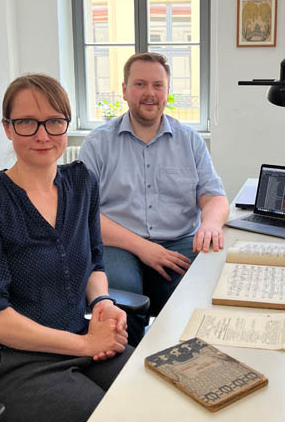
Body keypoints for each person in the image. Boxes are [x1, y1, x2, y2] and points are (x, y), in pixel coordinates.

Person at [0, 74, 132, 422]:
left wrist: (102, 302)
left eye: (54, 121)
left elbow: (95, 262)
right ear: (8, 128)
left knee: (153, 396)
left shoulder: (81, 183)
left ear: (67, 123)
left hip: (75, 339)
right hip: (9, 365)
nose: (42, 134)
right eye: (27, 122)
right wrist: (82, 345)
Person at [79, 52, 229, 344]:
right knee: (120, 300)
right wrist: (144, 248)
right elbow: (85, 213)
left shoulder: (190, 140)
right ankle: (126, 370)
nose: (150, 93)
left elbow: (214, 197)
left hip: (178, 241)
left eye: (158, 85)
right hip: (119, 243)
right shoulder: (97, 144)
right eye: (140, 84)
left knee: (203, 293)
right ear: (124, 90)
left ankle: (186, 365)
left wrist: (210, 224)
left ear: (167, 91)